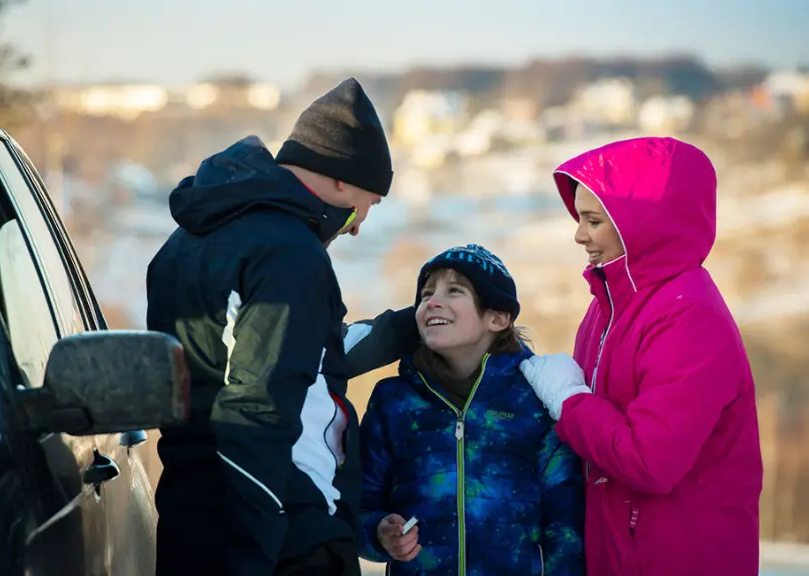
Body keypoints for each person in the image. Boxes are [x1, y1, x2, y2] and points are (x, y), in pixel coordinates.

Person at [147, 78, 418, 576]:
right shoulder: (289, 253)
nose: (358, 224)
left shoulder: (185, 240)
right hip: (282, 534)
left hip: (190, 515)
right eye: (369, 202)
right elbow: (256, 411)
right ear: (341, 177)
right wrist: (253, 556)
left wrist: (410, 328)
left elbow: (289, 361)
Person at [519, 137, 762, 576]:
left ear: (641, 222)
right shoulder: (609, 306)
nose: (578, 234)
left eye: (592, 220)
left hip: (682, 558)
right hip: (622, 554)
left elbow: (650, 461)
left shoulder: (690, 317)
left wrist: (569, 399)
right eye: (579, 218)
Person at [358, 244, 585, 575]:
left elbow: (566, 524)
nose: (432, 301)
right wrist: (379, 534)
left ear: (497, 317)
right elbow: (359, 506)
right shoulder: (394, 401)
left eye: (454, 291)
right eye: (426, 293)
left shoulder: (533, 400)